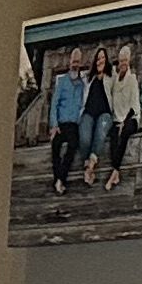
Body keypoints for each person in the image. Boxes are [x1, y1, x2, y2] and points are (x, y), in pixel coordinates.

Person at [48, 49, 89, 192]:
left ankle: (61, 179)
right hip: (61, 123)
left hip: (73, 124)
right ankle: (57, 179)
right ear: (69, 62)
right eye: (73, 61)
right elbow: (54, 104)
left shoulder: (81, 84)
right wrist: (54, 125)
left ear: (80, 63)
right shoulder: (63, 81)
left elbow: (83, 105)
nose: (75, 64)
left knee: (73, 145)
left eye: (78, 62)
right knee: (55, 147)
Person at [105, 43, 142, 185]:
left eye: (125, 61)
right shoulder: (115, 81)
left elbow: (134, 106)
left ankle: (115, 171)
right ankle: (116, 172)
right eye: (121, 61)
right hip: (117, 118)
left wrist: (124, 122)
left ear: (129, 62)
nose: (123, 64)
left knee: (125, 133)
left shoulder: (132, 79)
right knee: (113, 138)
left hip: (131, 117)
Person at [81, 50, 114, 184]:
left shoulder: (111, 77)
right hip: (88, 113)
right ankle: (86, 163)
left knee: (100, 131)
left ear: (106, 61)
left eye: (103, 58)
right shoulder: (88, 79)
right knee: (84, 137)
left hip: (105, 114)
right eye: (98, 58)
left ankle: (90, 167)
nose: (100, 61)